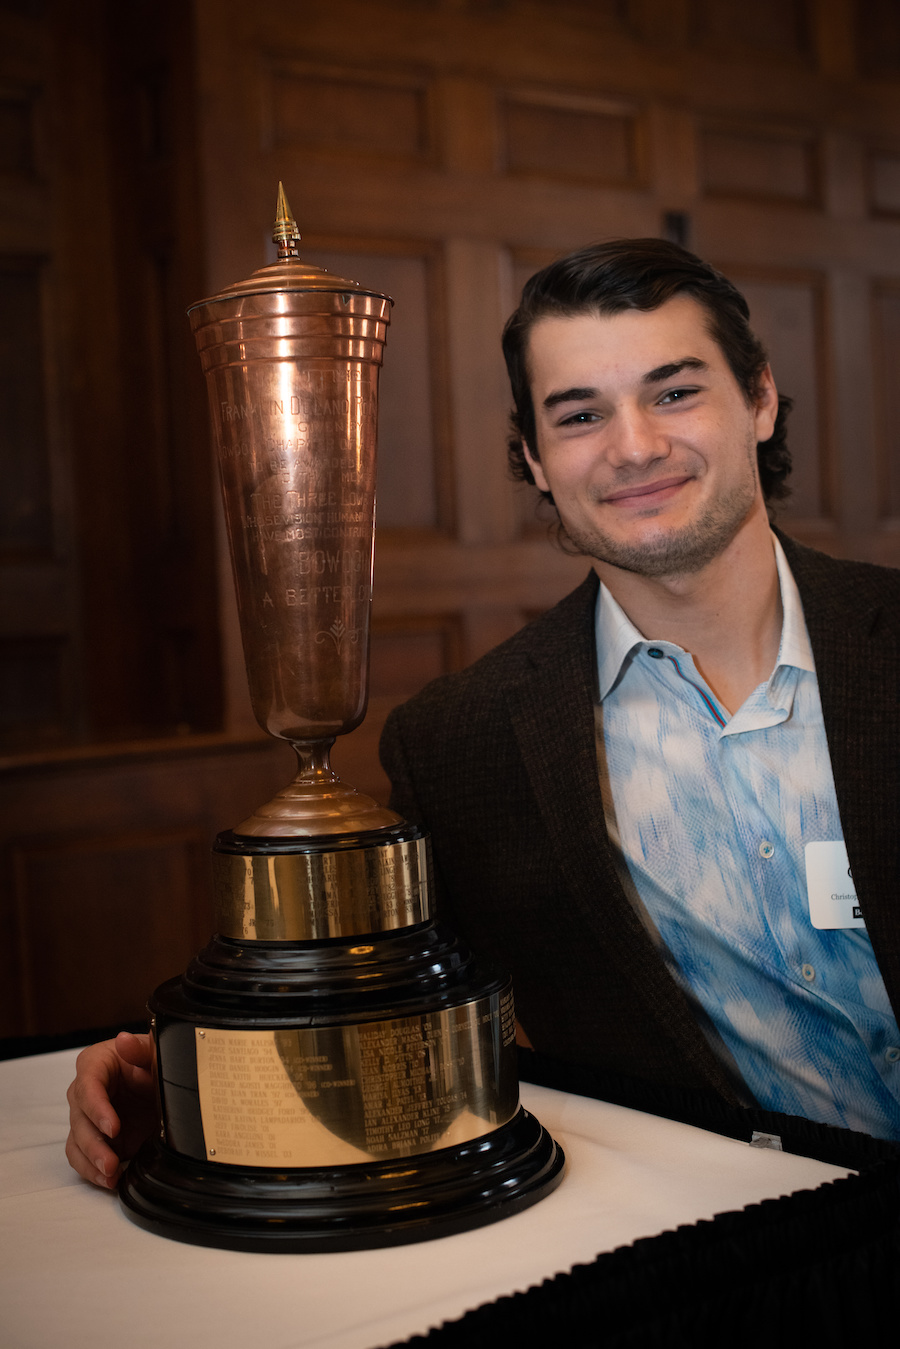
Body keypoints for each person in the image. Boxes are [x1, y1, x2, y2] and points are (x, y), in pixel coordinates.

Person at [66, 239, 900, 1188]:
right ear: (536, 459)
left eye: (674, 392)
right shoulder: (465, 743)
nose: (633, 445)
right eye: (579, 414)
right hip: (738, 1252)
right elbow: (395, 1014)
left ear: (759, 400)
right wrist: (184, 1090)